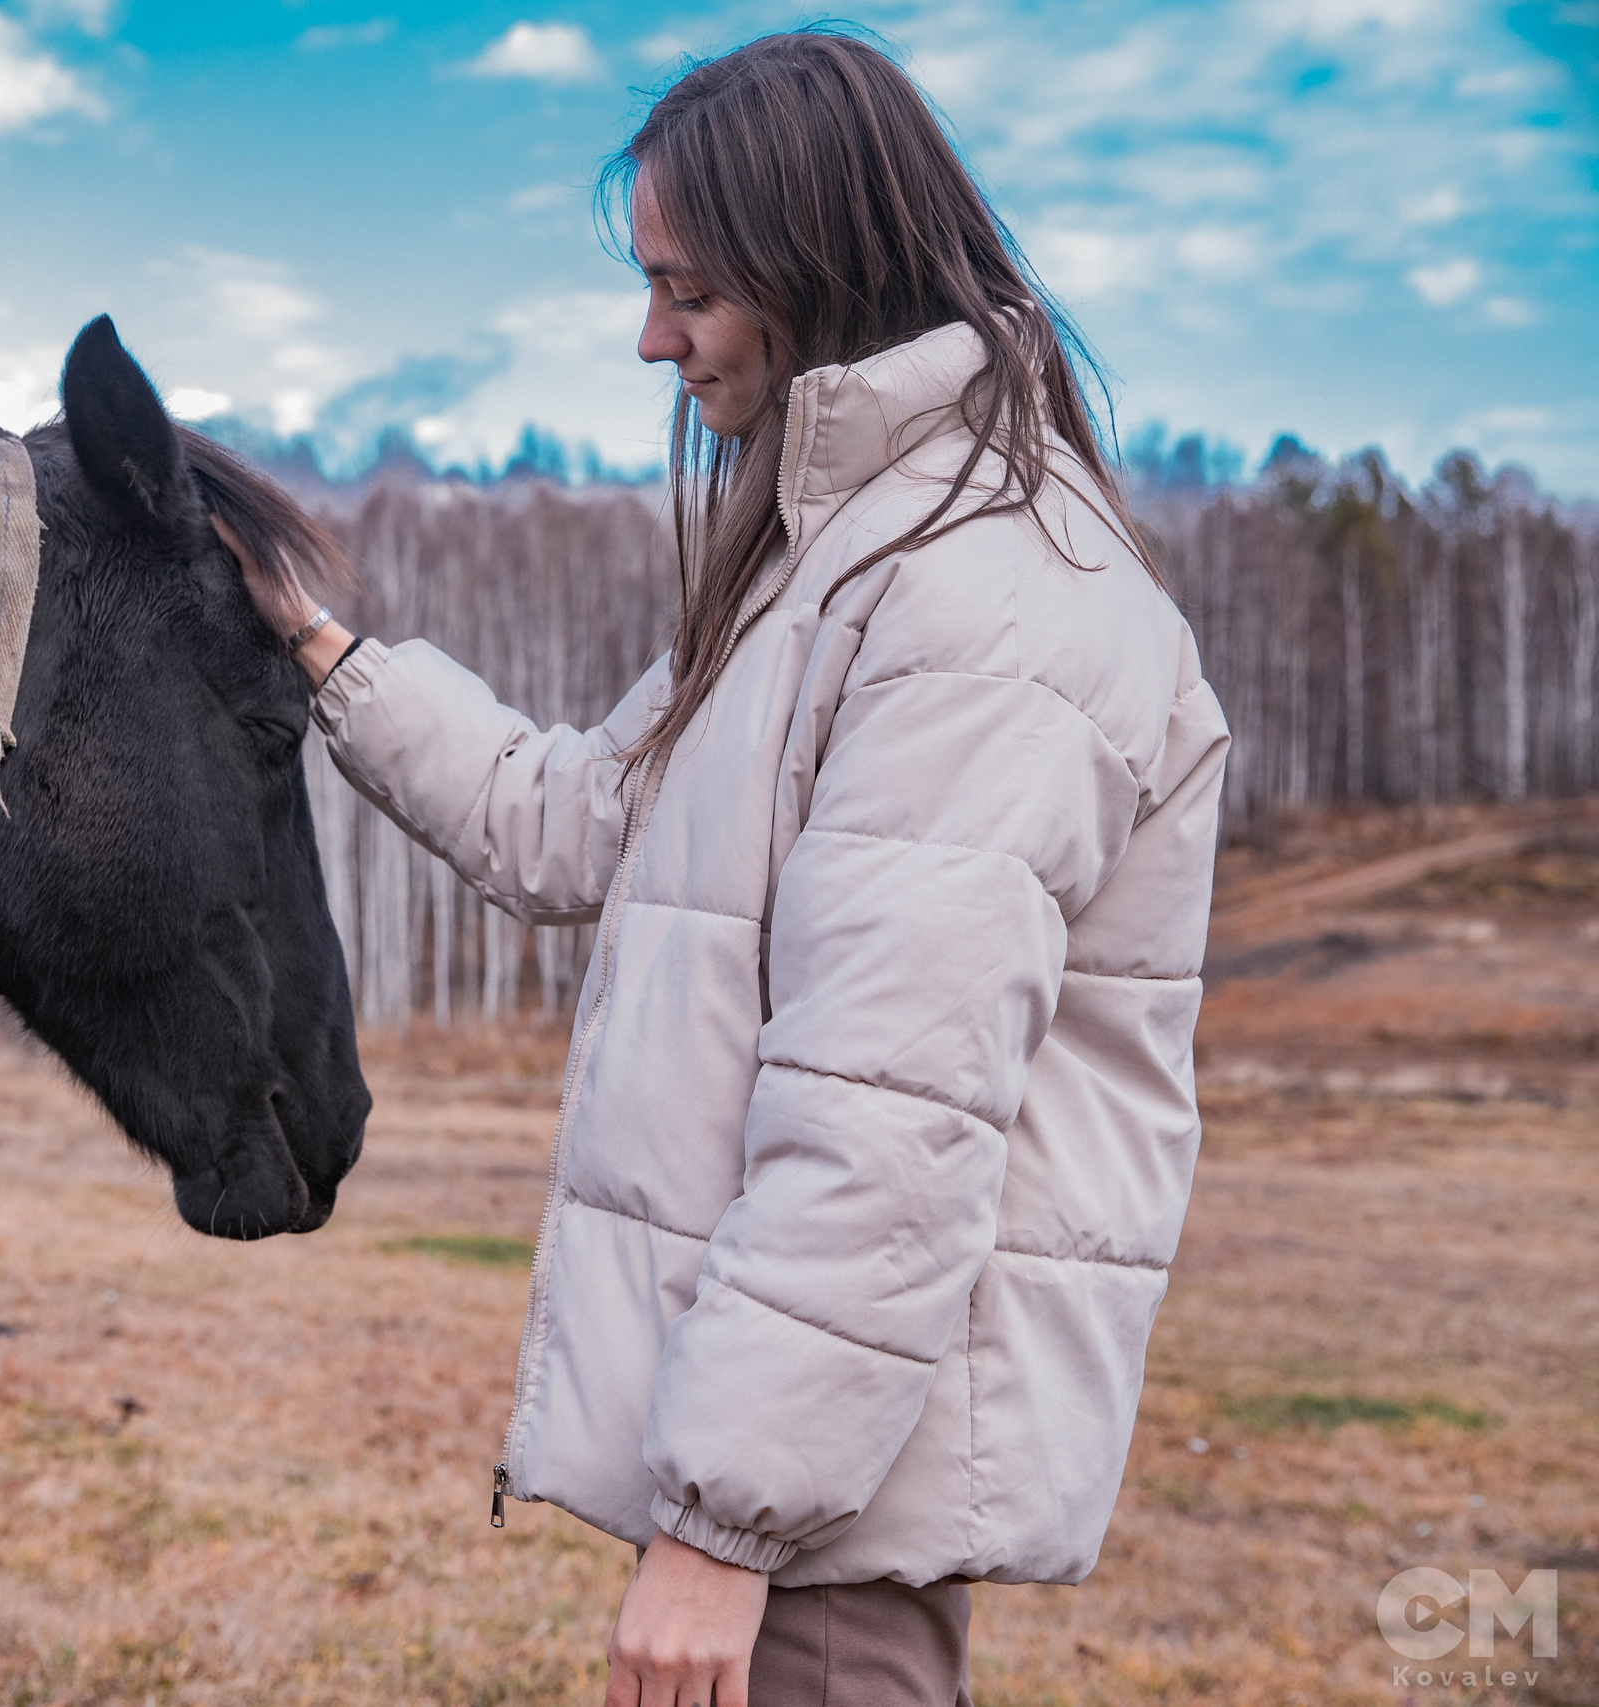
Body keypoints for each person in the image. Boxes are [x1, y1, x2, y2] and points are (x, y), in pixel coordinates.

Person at [221, 28, 1230, 1707]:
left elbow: (888, 1119)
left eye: (685, 290)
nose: (650, 338)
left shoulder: (983, 606)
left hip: (819, 1530)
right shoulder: (846, 562)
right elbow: (571, 816)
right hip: (812, 1484)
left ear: (809, 267)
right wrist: (326, 651)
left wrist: (721, 1529)